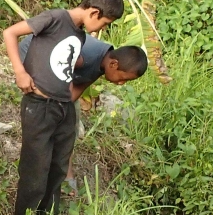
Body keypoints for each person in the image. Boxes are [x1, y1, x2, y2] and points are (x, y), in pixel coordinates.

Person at [2, 0, 124, 215]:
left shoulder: (78, 35)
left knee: (58, 166)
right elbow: (10, 33)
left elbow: (65, 55)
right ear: (94, 13)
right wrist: (20, 71)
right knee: (36, 167)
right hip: (39, 105)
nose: (103, 29)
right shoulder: (56, 17)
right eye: (105, 23)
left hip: (62, 107)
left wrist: (76, 60)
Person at [18, 34, 148, 193]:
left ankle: (65, 174)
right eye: (123, 79)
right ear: (114, 64)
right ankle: (38, 176)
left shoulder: (104, 63)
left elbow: (73, 94)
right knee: (45, 118)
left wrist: (65, 114)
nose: (121, 83)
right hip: (35, 55)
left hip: (62, 78)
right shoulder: (86, 55)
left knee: (68, 125)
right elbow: (61, 78)